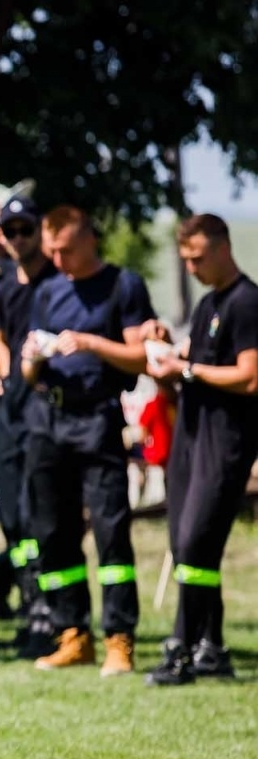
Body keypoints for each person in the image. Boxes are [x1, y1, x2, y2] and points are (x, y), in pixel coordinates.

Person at [20, 205, 156, 675]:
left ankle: (120, 637)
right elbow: (26, 368)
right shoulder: (48, 289)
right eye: (50, 250)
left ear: (89, 240)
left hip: (97, 417)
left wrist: (91, 342)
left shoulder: (124, 286)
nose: (56, 259)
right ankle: (71, 633)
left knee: (110, 528)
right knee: (52, 530)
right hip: (47, 417)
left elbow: (142, 358)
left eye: (66, 250)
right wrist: (32, 358)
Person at [145, 214, 258, 685]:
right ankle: (211, 647)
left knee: (195, 543)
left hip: (226, 440)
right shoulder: (207, 303)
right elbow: (194, 363)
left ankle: (182, 648)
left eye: (196, 258)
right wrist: (169, 356)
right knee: (185, 544)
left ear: (221, 248)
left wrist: (187, 370)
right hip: (189, 436)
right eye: (184, 259)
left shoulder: (246, 302)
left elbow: (250, 375)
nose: (189, 268)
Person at [0, 195, 56, 649]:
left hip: (45, 407)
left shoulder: (55, 283)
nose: (17, 239)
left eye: (25, 229)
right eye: (9, 231)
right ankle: (29, 606)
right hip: (11, 407)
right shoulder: (4, 287)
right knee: (12, 512)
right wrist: (8, 374)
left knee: (38, 510)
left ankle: (46, 610)